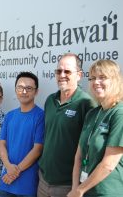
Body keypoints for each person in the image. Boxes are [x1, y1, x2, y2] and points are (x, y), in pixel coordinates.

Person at [37, 53, 96, 197]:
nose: (62, 75)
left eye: (67, 71)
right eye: (58, 71)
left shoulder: (86, 103)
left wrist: (77, 187)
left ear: (79, 75)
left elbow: (89, 148)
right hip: (43, 181)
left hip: (67, 185)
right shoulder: (50, 100)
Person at [67, 59, 123, 197]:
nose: (96, 82)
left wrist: (80, 190)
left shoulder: (119, 113)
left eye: (102, 77)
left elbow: (109, 164)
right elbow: (79, 156)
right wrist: (75, 188)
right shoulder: (92, 113)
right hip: (85, 191)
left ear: (115, 80)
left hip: (107, 192)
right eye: (92, 78)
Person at [0, 72, 44, 197]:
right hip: (5, 181)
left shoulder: (40, 116)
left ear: (36, 91)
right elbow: (2, 144)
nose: (24, 91)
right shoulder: (9, 116)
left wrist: (15, 171)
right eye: (20, 87)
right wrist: (8, 167)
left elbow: (37, 149)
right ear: (15, 90)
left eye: (29, 88)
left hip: (27, 186)